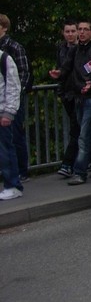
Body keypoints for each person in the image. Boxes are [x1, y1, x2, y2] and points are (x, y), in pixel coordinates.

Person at [53, 21, 91, 184]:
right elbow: (66, 68)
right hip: (78, 96)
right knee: (87, 134)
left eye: (86, 29)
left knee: (83, 134)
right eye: (80, 29)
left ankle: (80, 172)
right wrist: (59, 73)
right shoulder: (74, 50)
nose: (82, 32)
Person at [0, 14, 31, 183]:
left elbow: (23, 72)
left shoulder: (13, 47)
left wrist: (18, 95)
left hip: (12, 100)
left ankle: (21, 171)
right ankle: (9, 172)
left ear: (4, 27)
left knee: (15, 136)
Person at [0, 46, 23, 200]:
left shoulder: (4, 58)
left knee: (5, 150)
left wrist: (9, 112)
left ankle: (13, 185)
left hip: (2, 112)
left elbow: (14, 86)